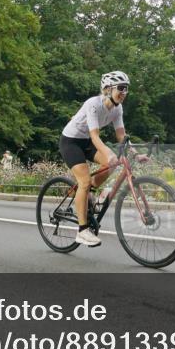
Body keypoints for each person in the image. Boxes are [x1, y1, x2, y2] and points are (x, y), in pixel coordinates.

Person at [59, 71, 147, 248]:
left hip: (87, 142)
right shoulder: (93, 104)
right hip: (71, 142)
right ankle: (82, 231)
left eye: (126, 89)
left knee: (111, 164)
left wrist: (135, 153)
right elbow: (95, 136)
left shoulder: (117, 109)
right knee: (84, 181)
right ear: (107, 89)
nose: (124, 92)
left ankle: (88, 194)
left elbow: (121, 135)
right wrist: (109, 152)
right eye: (121, 88)